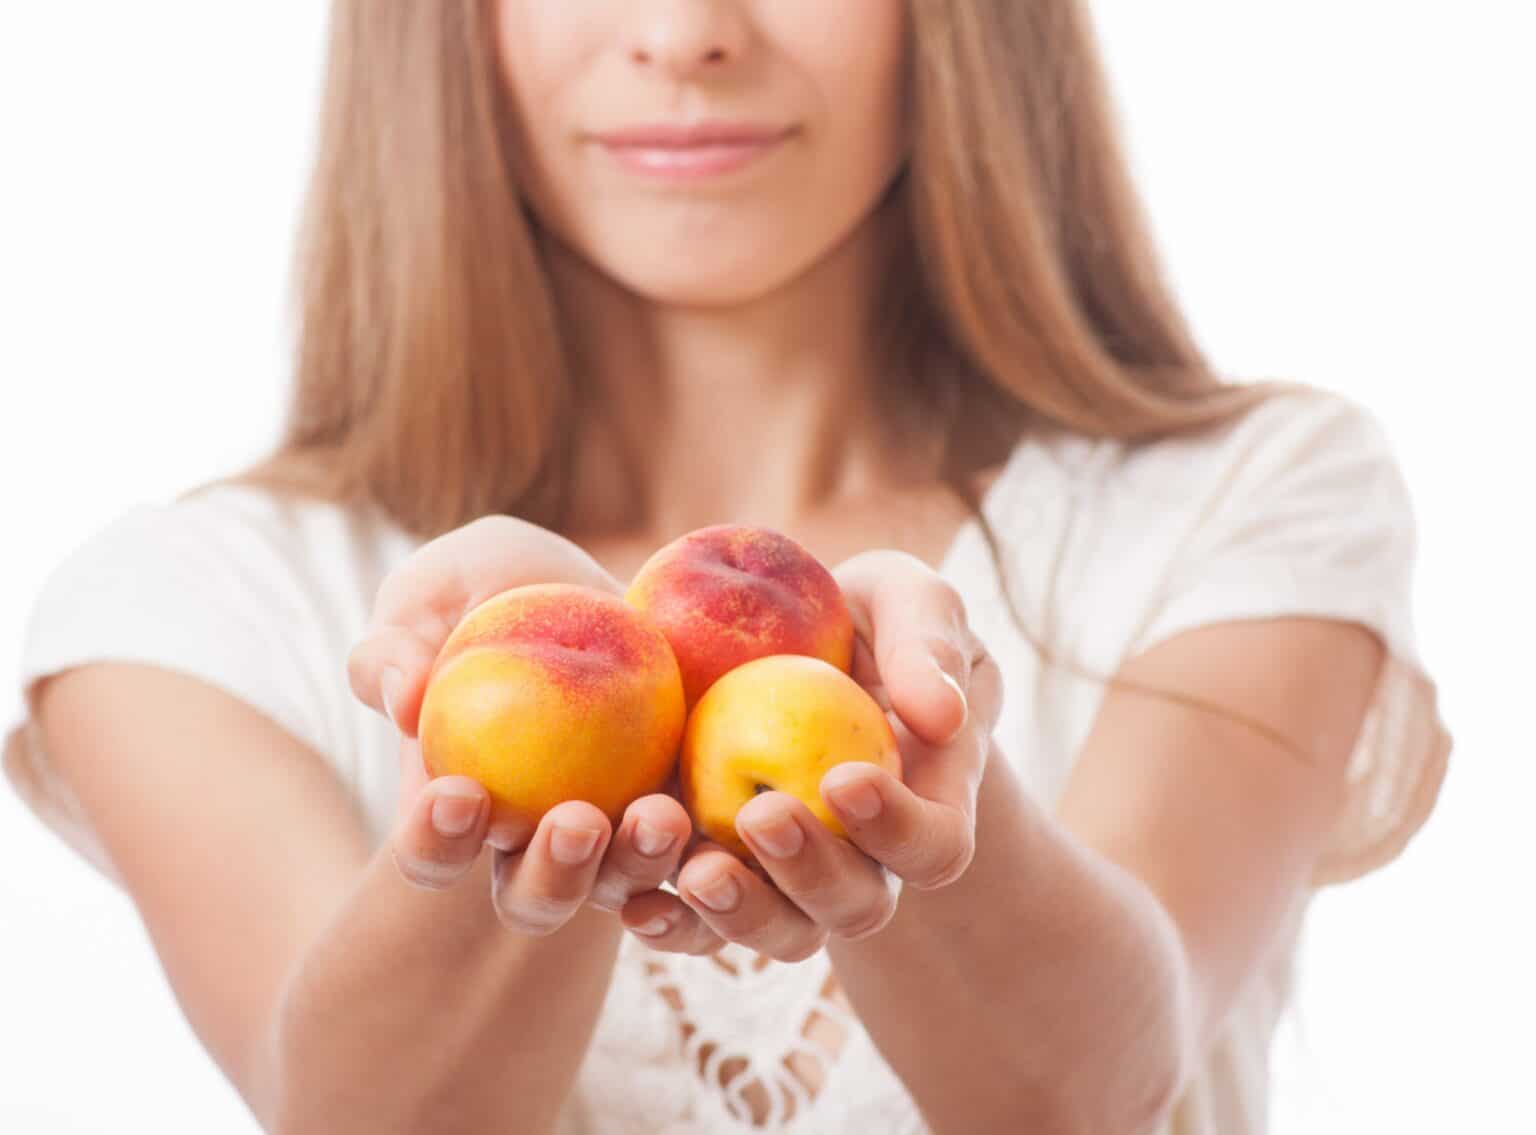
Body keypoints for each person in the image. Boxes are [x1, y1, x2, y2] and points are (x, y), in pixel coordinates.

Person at [4, 2, 1453, 1133]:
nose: (687, 29)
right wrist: (550, 734)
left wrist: (925, 774)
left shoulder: (1242, 502)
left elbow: (1081, 1103)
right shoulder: (195, 609)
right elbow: (365, 1124)